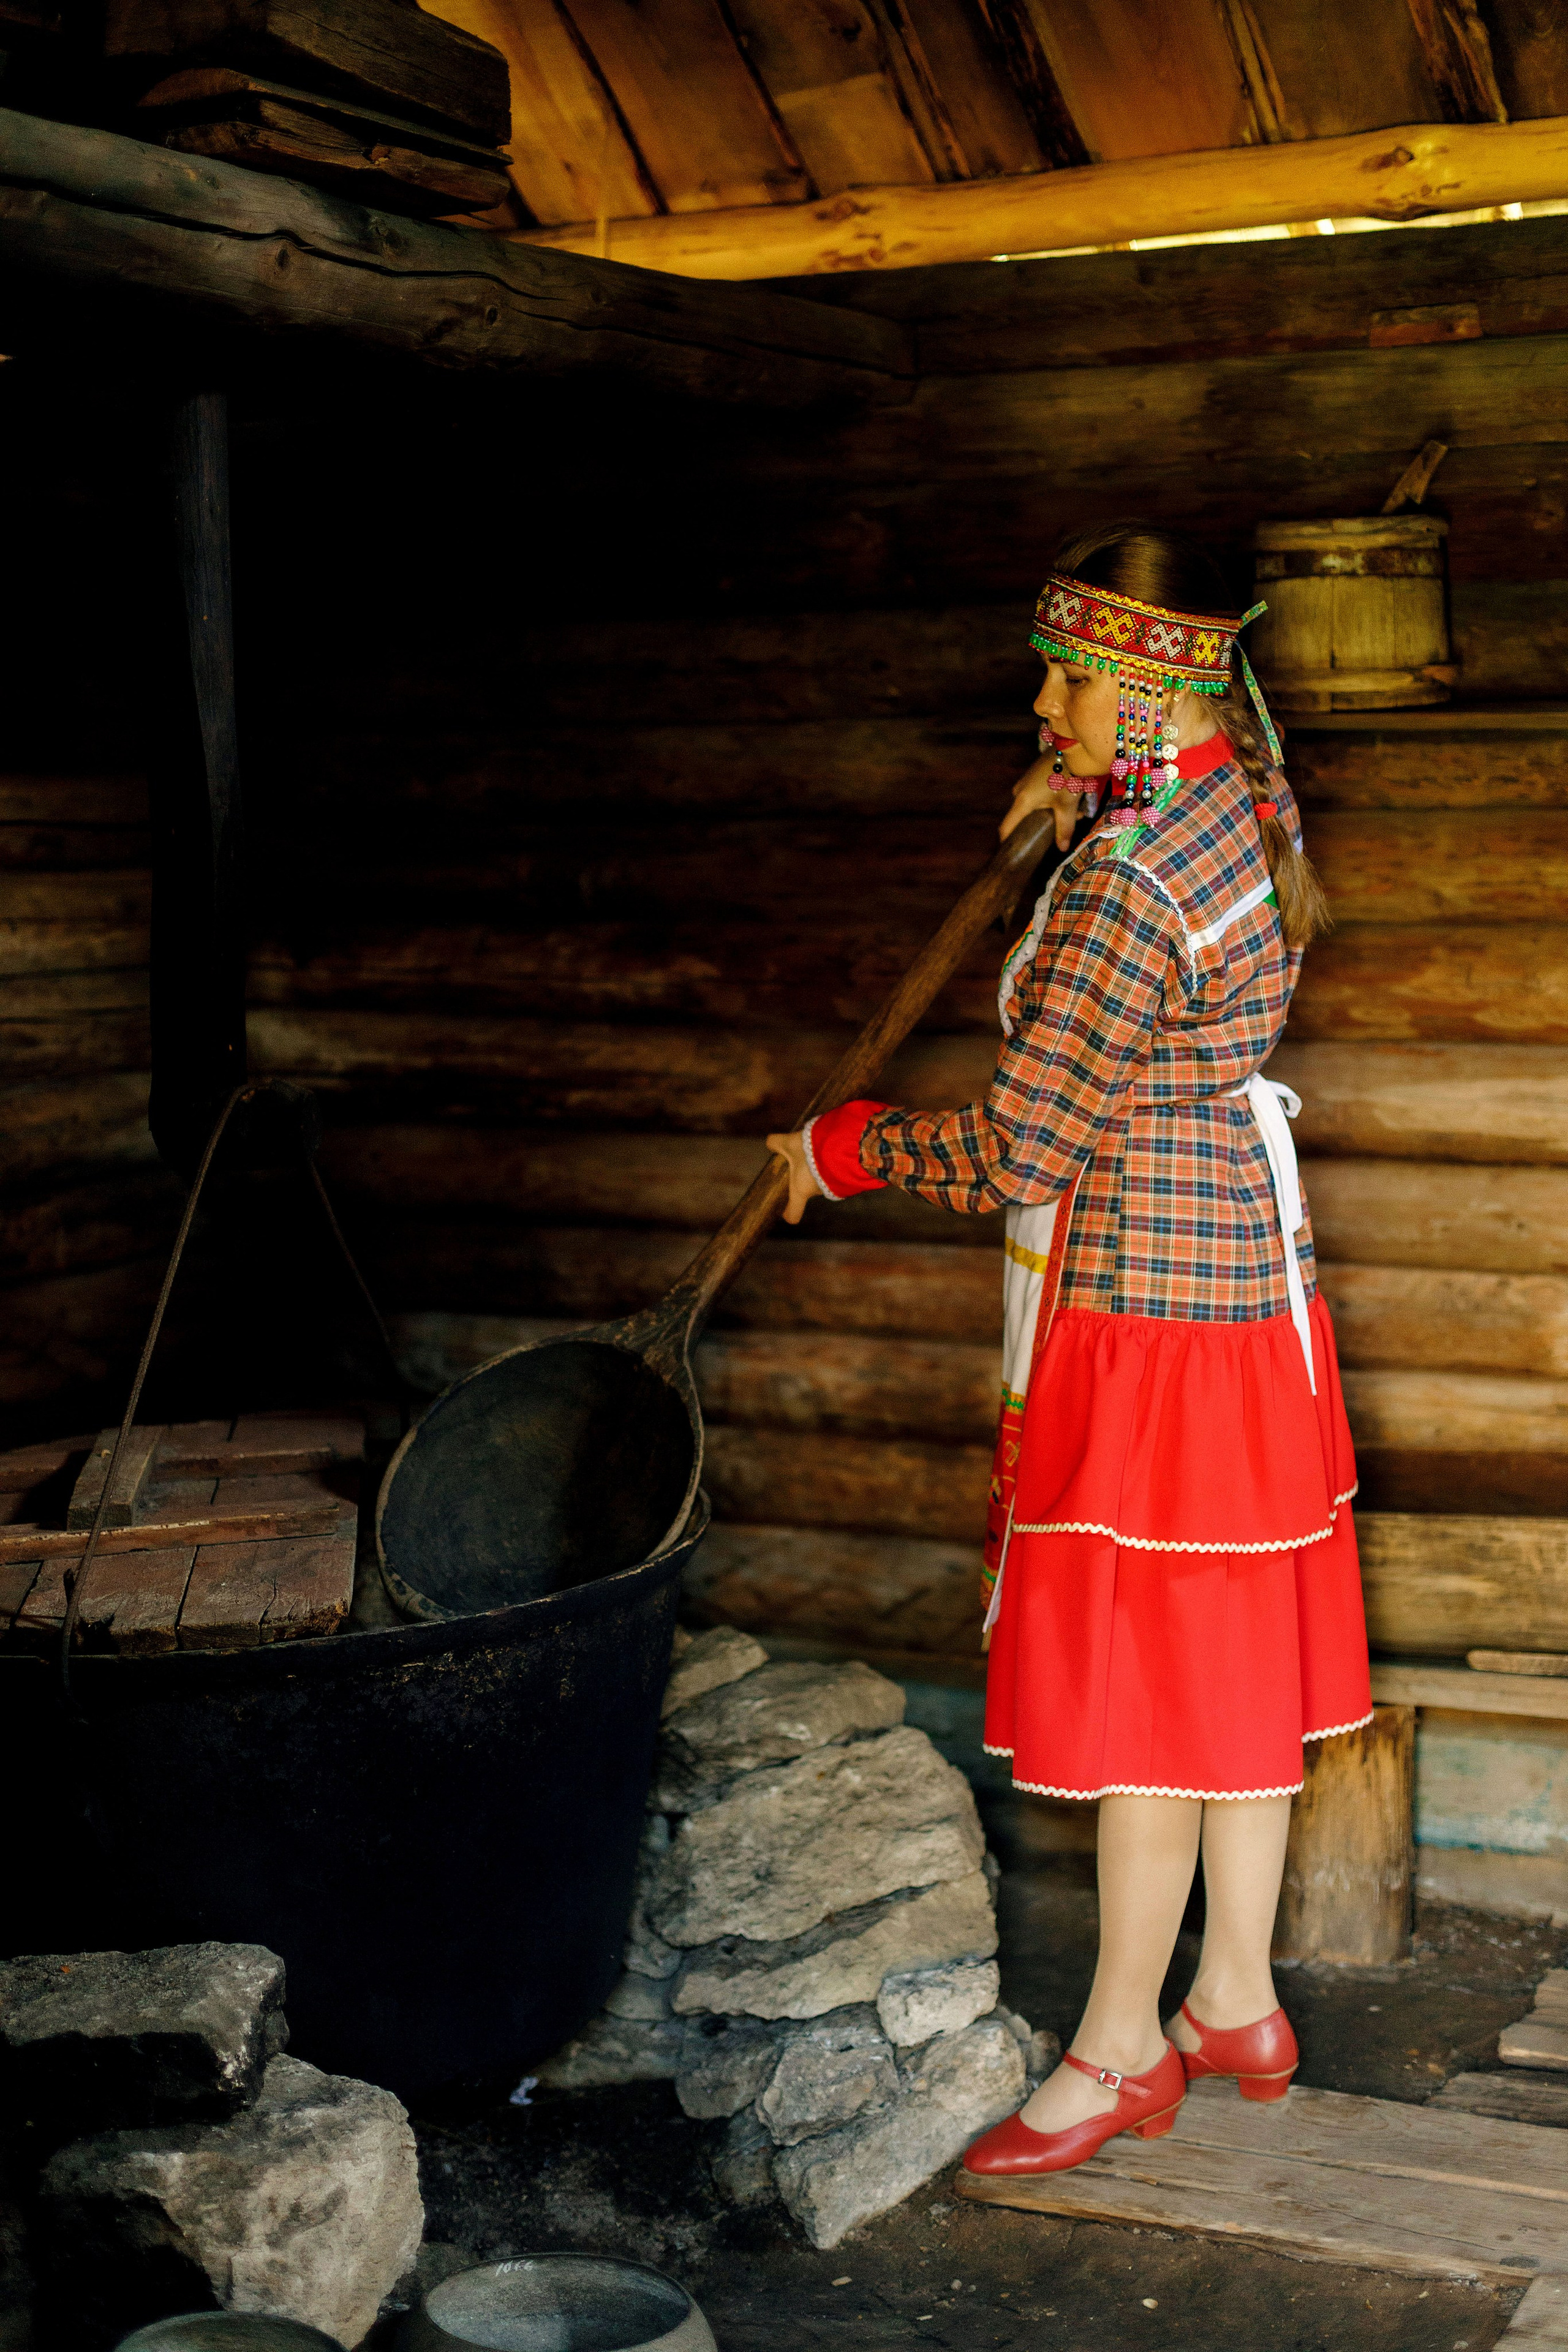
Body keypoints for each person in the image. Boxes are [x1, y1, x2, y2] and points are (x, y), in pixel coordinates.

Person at [766, 522, 1372, 2176]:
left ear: (1138, 690)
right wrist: (1065, 811)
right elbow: (1150, 908)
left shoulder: (1126, 883)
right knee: (1234, 1662)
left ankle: (1119, 2050)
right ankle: (1234, 1995)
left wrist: (852, 1146)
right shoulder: (1245, 802)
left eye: (1066, 677)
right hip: (1254, 1296)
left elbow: (1028, 1150)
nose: (1046, 698)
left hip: (1149, 1317)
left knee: (1155, 1697)